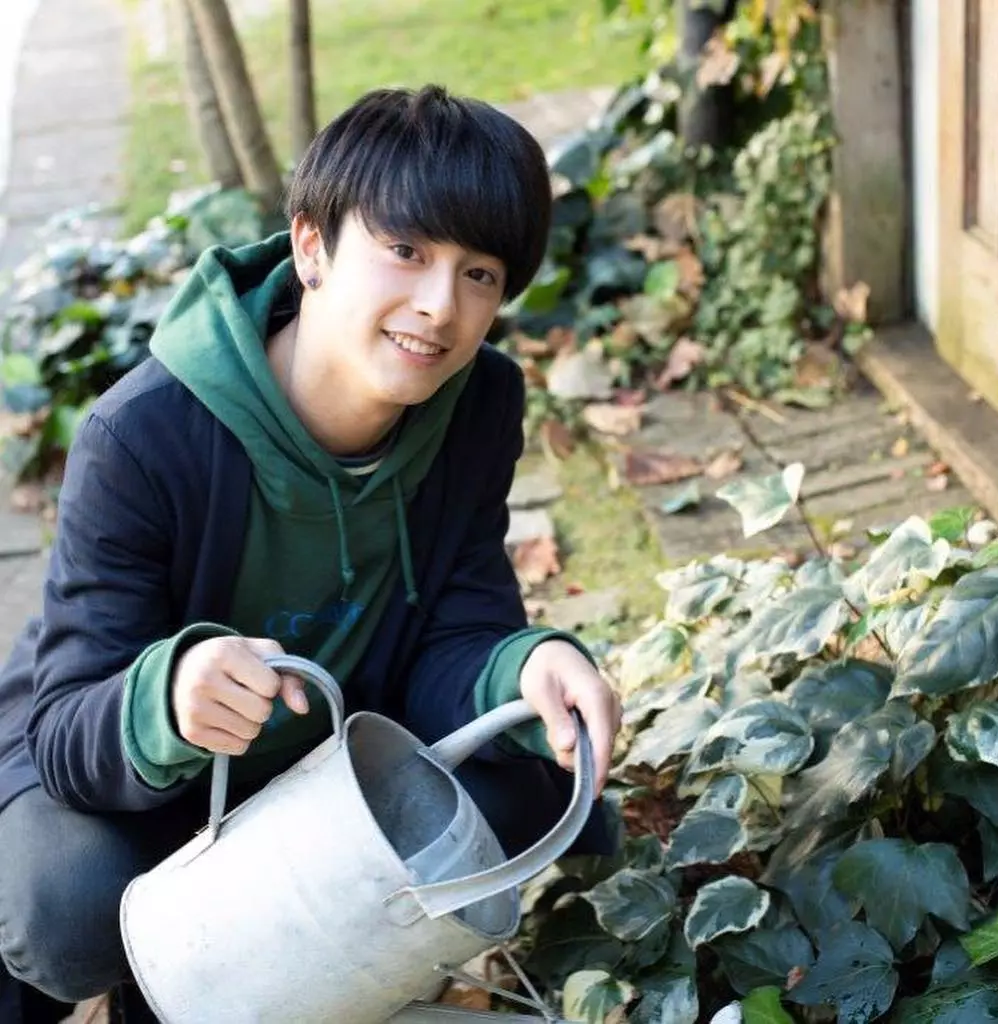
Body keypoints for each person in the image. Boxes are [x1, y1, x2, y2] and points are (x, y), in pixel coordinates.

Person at [0, 84, 622, 1019]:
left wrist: (526, 667)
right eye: (405, 252)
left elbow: (462, 625)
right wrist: (170, 699)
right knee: (70, 909)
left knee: (529, 787)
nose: (438, 308)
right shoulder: (145, 434)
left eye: (480, 273)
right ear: (312, 248)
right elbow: (67, 730)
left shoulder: (480, 401)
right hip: (146, 776)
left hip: (334, 747)